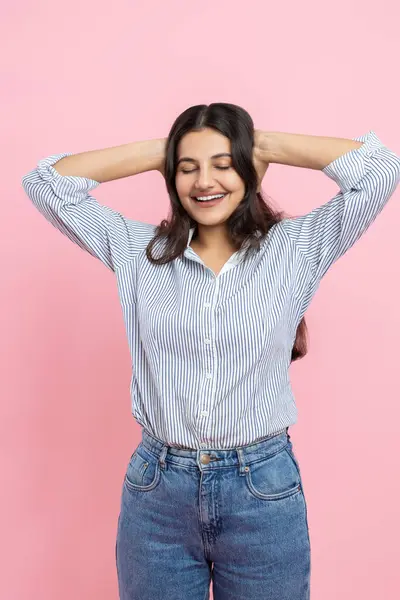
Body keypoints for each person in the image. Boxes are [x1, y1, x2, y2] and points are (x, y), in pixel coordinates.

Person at [21, 103, 400, 600]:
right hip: (158, 494)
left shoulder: (295, 249)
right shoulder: (138, 252)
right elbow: (45, 183)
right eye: (188, 168)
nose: (205, 181)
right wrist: (164, 151)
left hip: (262, 491)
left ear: (247, 168)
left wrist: (262, 145)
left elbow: (380, 170)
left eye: (224, 164)